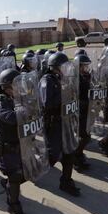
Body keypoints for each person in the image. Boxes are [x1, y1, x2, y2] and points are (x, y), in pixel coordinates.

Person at [40, 52, 80, 196]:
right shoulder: (47, 80)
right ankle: (31, 172)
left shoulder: (63, 78)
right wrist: (63, 95)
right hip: (53, 123)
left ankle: (66, 182)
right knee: (53, 155)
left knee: (69, 152)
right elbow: (47, 103)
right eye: (64, 66)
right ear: (55, 67)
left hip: (66, 121)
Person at [0, 68, 27, 214]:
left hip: (21, 144)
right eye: (16, 86)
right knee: (15, 176)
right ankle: (13, 204)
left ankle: (8, 184)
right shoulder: (0, 102)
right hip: (7, 148)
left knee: (25, 174)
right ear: (7, 87)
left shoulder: (18, 98)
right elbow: (9, 117)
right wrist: (25, 111)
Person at [74, 54, 92, 172]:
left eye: (87, 65)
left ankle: (78, 154)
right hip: (78, 112)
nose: (86, 68)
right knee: (83, 136)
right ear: (79, 66)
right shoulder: (74, 79)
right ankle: (75, 157)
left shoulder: (86, 76)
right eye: (84, 66)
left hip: (87, 110)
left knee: (86, 136)